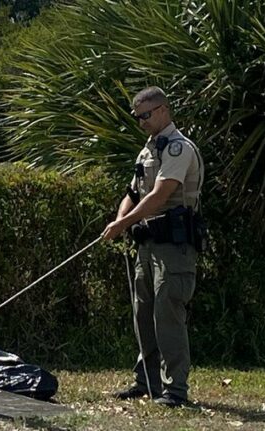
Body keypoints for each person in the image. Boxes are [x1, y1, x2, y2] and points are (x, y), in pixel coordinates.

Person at [101, 86, 204, 407]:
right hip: (147, 243)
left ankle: (175, 390)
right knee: (142, 312)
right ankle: (146, 380)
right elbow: (133, 192)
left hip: (174, 245)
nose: (141, 122)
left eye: (145, 115)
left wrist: (123, 224)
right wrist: (120, 220)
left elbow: (161, 194)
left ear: (163, 110)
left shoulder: (178, 148)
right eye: (137, 117)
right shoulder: (147, 151)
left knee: (167, 314)